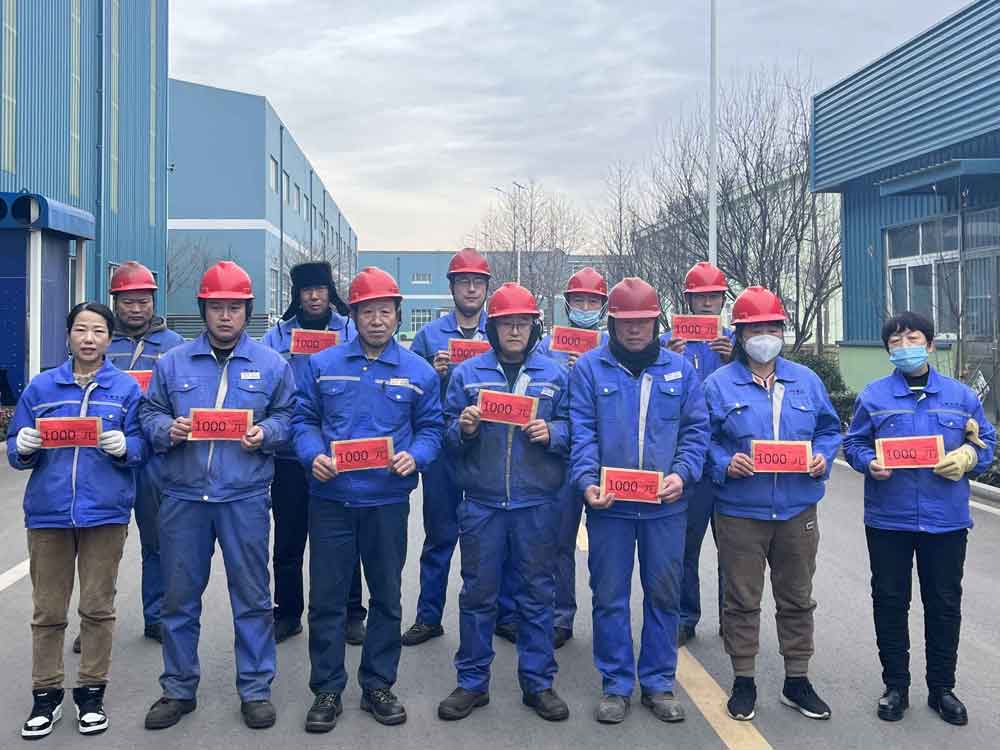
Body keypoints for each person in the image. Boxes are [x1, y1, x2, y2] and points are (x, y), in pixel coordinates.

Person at [140, 261, 296, 731]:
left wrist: (266, 434)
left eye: (234, 307)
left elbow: (288, 417)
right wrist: (167, 429)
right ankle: (177, 688)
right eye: (216, 307)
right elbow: (149, 413)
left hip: (244, 497)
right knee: (179, 599)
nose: (225, 316)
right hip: (184, 497)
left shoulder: (271, 364)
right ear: (202, 310)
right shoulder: (172, 363)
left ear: (248, 311)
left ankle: (255, 688)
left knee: (252, 597)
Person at [294, 267, 443, 733]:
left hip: (386, 502)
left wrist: (416, 457)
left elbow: (432, 428)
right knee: (326, 600)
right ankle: (327, 689)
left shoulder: (418, 372)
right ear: (353, 315)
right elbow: (303, 420)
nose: (376, 320)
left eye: (385, 312)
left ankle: (378, 684)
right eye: (367, 312)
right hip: (331, 500)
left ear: (398, 315)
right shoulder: (322, 365)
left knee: (387, 598)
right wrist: (312, 455)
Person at [843, 310, 995, 726]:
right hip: (888, 519)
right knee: (890, 601)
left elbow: (986, 442)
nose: (904, 347)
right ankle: (896, 686)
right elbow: (853, 444)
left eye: (912, 339)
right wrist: (869, 462)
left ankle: (942, 689)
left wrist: (968, 457)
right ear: (888, 350)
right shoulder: (873, 396)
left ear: (929, 344)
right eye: (895, 342)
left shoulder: (961, 397)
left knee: (943, 604)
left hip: (945, 520)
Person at [570, 277, 709, 725]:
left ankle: (658, 682)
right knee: (609, 596)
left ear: (656, 322)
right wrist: (586, 482)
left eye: (643, 321)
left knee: (663, 595)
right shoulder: (589, 369)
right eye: (626, 321)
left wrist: (682, 474)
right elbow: (582, 433)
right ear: (612, 322)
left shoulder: (680, 370)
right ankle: (615, 684)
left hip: (665, 507)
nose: (634, 329)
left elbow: (695, 432)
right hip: (609, 507)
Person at [702, 286, 841, 723]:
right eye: (754, 329)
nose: (764, 336)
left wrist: (823, 457)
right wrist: (724, 463)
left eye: (772, 328)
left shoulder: (806, 381)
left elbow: (829, 430)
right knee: (741, 599)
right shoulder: (717, 385)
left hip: (797, 510)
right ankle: (743, 680)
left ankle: (796, 680)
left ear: (783, 331)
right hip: (740, 511)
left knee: (797, 597)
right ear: (739, 335)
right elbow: (700, 438)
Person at [7, 302, 146, 738]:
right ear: (68, 335)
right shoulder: (42, 387)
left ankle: (91, 693)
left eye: (98, 331)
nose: (89, 338)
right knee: (48, 610)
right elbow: (15, 446)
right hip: (48, 513)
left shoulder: (125, 389)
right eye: (81, 329)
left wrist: (127, 446)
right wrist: (22, 445)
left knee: (97, 607)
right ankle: (45, 695)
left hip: (104, 513)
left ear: (110, 339)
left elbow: (143, 444)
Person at [437, 282, 571, 723]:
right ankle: (472, 682)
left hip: (537, 503)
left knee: (537, 595)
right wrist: (464, 429)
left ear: (535, 328)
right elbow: (445, 433)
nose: (514, 331)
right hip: (483, 504)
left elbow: (576, 427)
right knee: (478, 594)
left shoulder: (555, 374)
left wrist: (554, 433)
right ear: (492, 328)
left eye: (523, 323)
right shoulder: (468, 374)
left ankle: (538, 683)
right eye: (506, 323)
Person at [73, 261, 182, 653]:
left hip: (156, 459)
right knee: (98, 546)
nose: (136, 308)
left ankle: (157, 615)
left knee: (158, 542)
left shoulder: (175, 346)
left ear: (154, 301)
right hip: (106, 458)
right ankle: (93, 622)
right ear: (115, 301)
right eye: (128, 301)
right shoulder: (101, 341)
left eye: (143, 301)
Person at [262, 260, 367, 646]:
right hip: (290, 455)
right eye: (306, 290)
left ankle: (351, 613)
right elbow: (265, 380)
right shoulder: (277, 335)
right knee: (288, 541)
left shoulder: (350, 330)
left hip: (341, 454)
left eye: (321, 289)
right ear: (297, 295)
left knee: (344, 540)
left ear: (330, 292)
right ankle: (288, 613)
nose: (314, 297)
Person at [402, 248, 492, 647]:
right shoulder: (429, 336)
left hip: (488, 447)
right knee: (439, 534)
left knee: (491, 536)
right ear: (452, 287)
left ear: (486, 288)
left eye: (478, 283)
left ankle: (502, 614)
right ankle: (428, 616)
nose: (471, 289)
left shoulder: (499, 329)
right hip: (442, 446)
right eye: (464, 282)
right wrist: (431, 373)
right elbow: (409, 390)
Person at [535, 266, 609, 649]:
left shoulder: (613, 344)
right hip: (561, 458)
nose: (585, 307)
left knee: (607, 548)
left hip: (603, 458)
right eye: (578, 300)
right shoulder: (547, 347)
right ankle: (560, 616)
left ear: (604, 307)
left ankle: (608, 620)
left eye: (592, 301)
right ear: (566, 305)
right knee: (559, 542)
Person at [662, 261, 732, 646]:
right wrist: (668, 356)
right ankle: (685, 616)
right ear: (688, 299)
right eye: (700, 297)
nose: (707, 304)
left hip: (731, 461)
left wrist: (733, 359)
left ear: (723, 299)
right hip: (690, 461)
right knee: (685, 545)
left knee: (734, 547)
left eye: (714, 297)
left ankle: (732, 617)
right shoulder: (668, 342)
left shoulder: (737, 343)